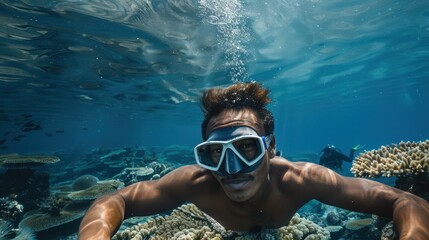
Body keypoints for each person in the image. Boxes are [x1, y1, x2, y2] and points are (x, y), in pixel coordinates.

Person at [78, 82, 429, 240]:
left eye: (246, 148)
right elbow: (113, 200)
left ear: (271, 147)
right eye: (214, 153)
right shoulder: (195, 183)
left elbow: (405, 201)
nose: (230, 169)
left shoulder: (300, 179)